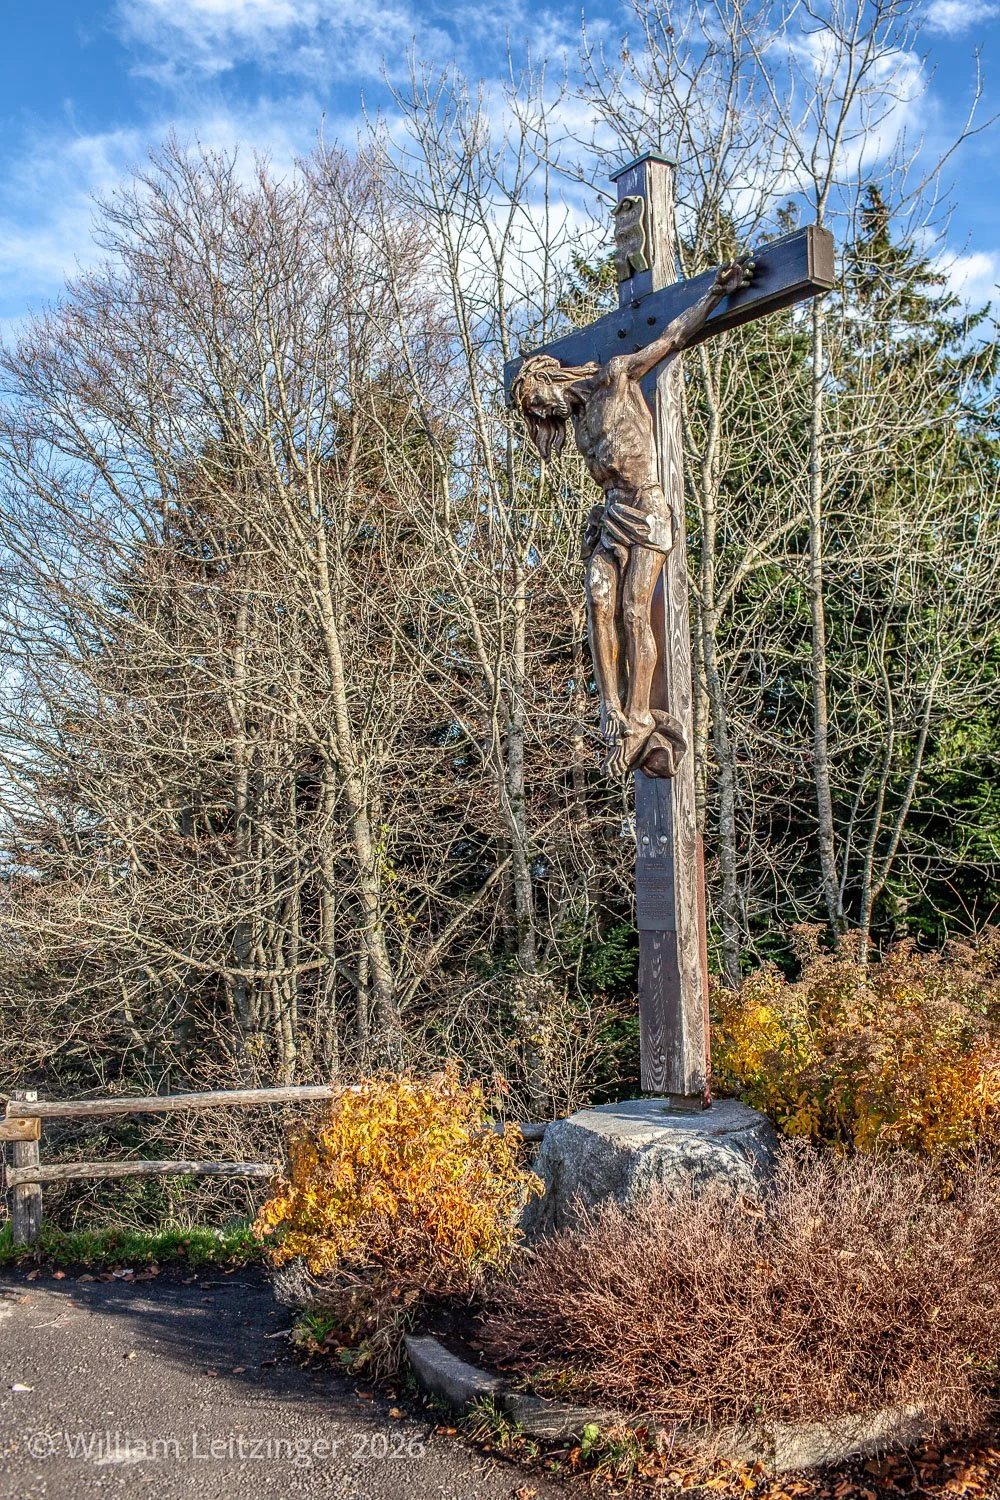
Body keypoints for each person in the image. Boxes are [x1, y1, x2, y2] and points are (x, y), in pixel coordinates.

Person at [512, 258, 753, 775]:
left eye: (539, 399)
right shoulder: (573, 420)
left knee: (633, 611)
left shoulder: (616, 376)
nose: (542, 411)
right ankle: (611, 708)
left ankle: (642, 711)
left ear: (553, 378)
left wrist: (714, 293)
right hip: (610, 514)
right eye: (534, 410)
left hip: (646, 507)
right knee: (598, 600)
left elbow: (669, 338)